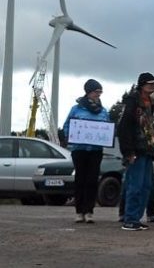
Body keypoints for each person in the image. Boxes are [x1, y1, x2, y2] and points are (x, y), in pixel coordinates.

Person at [63, 79, 110, 223]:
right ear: (88, 92)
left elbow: (107, 127)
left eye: (100, 92)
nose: (98, 95)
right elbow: (67, 126)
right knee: (80, 180)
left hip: (95, 150)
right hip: (79, 149)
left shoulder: (103, 111)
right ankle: (79, 211)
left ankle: (89, 211)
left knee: (92, 180)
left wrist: (107, 136)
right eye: (96, 92)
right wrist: (70, 136)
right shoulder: (76, 109)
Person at [118, 72, 154, 231]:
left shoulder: (150, 103)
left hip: (147, 149)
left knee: (146, 186)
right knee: (135, 185)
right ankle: (130, 218)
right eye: (150, 83)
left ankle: (136, 217)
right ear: (142, 84)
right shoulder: (132, 103)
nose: (153, 86)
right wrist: (128, 151)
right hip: (136, 150)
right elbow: (124, 128)